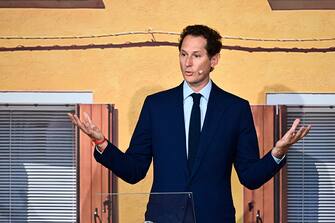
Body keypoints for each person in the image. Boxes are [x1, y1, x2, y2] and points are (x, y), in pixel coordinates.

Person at [68, 24, 311, 223]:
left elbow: (249, 177)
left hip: (214, 218)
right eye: (183, 54)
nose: (188, 63)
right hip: (163, 218)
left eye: (196, 55)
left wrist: (278, 152)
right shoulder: (156, 106)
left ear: (214, 60)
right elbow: (134, 171)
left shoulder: (235, 109)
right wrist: (101, 142)